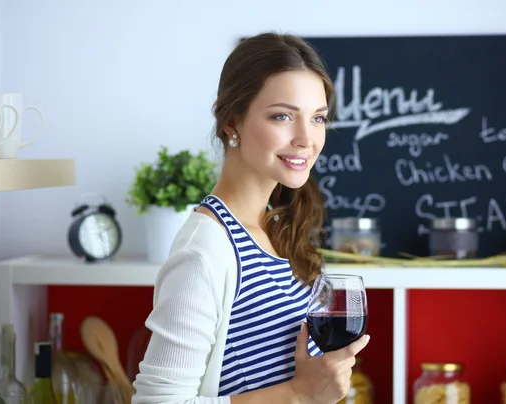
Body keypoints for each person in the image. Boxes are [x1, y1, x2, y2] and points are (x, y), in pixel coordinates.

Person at [132, 31, 370, 404]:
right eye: (282, 116)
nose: (307, 139)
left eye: (318, 118)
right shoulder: (205, 252)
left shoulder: (275, 229)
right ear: (232, 123)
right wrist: (299, 393)